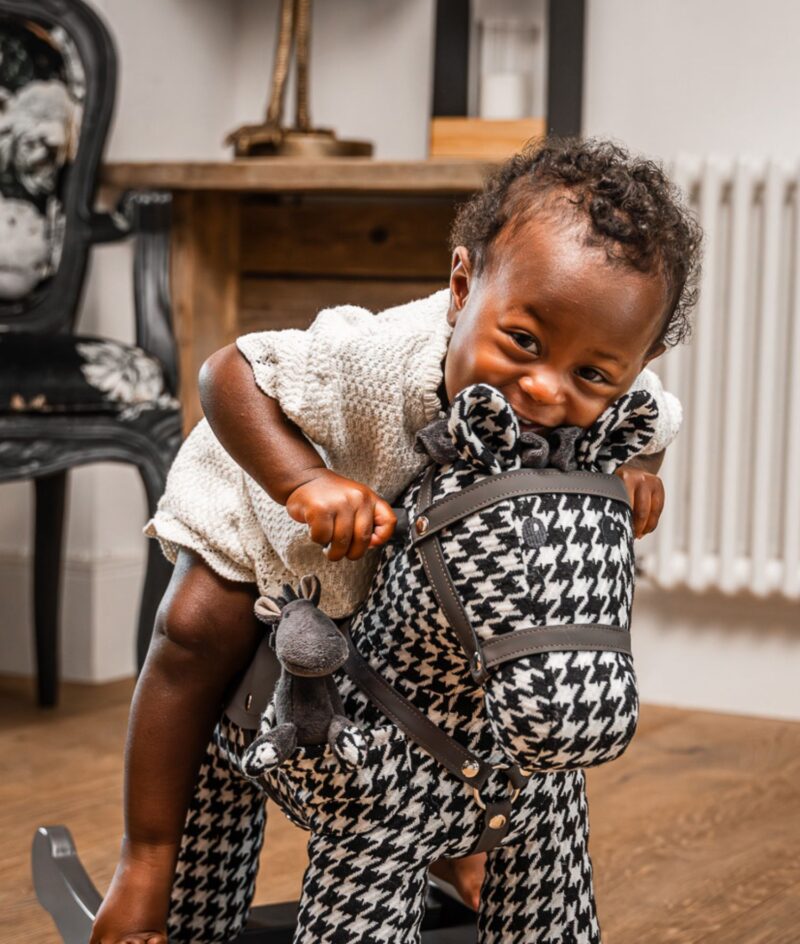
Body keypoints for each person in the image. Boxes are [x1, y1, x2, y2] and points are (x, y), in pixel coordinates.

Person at [90, 138, 701, 944]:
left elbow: (653, 425)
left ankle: (456, 839)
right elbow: (227, 374)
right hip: (272, 506)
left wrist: (638, 469)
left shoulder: (612, 379)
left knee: (477, 663)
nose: (548, 390)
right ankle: (147, 859)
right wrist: (304, 482)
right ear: (461, 288)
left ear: (634, 365)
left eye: (594, 377)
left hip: (411, 571)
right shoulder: (371, 361)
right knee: (195, 630)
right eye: (522, 342)